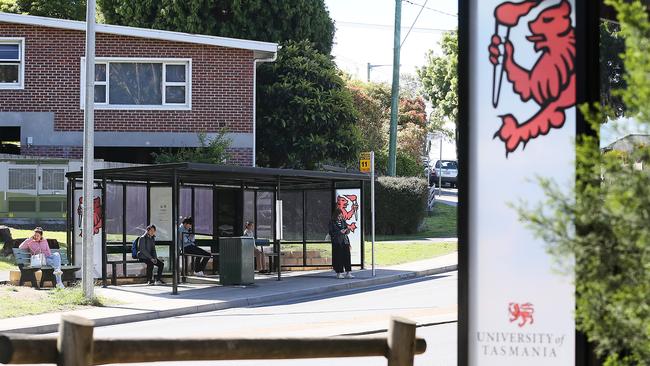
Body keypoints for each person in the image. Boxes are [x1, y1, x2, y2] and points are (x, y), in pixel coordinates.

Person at [329, 208, 354, 279]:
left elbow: (346, 229)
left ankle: (348, 272)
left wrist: (347, 230)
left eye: (341, 216)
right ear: (336, 216)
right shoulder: (332, 222)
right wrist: (340, 232)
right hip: (337, 242)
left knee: (347, 256)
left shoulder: (343, 221)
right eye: (339, 216)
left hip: (345, 241)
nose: (340, 218)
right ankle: (339, 273)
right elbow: (331, 232)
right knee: (338, 257)